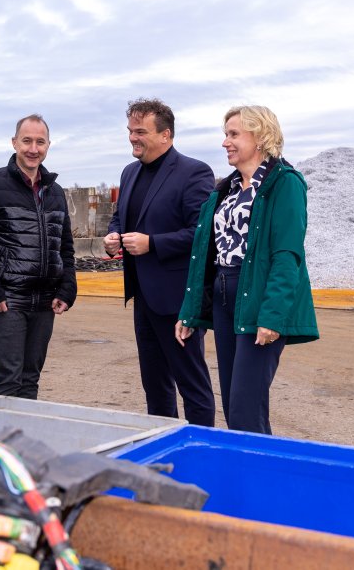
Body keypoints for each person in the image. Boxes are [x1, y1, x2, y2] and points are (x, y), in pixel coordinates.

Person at [175, 105, 318, 434]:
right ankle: (256, 460)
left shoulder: (284, 184)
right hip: (224, 296)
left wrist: (272, 316)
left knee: (245, 407)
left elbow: (287, 254)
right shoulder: (226, 189)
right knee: (233, 405)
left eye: (234, 134)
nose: (225, 142)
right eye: (225, 134)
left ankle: (259, 465)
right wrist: (189, 311)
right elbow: (206, 254)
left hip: (258, 298)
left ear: (261, 136)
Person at [104, 98, 216, 426]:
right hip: (143, 297)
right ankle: (163, 439)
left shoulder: (194, 172)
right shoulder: (130, 172)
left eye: (140, 131)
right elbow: (120, 217)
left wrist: (152, 243)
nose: (132, 137)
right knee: (154, 385)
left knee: (192, 385)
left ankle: (201, 444)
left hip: (178, 300)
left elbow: (202, 234)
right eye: (130, 131)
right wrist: (113, 236)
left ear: (165, 135)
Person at [0, 114, 77, 399]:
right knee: (8, 381)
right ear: (14, 142)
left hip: (44, 303)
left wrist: (67, 287)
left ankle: (23, 430)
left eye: (40, 142)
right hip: (7, 302)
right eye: (27, 141)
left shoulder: (55, 193)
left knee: (30, 381)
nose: (33, 149)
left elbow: (65, 246)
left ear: (48, 145)